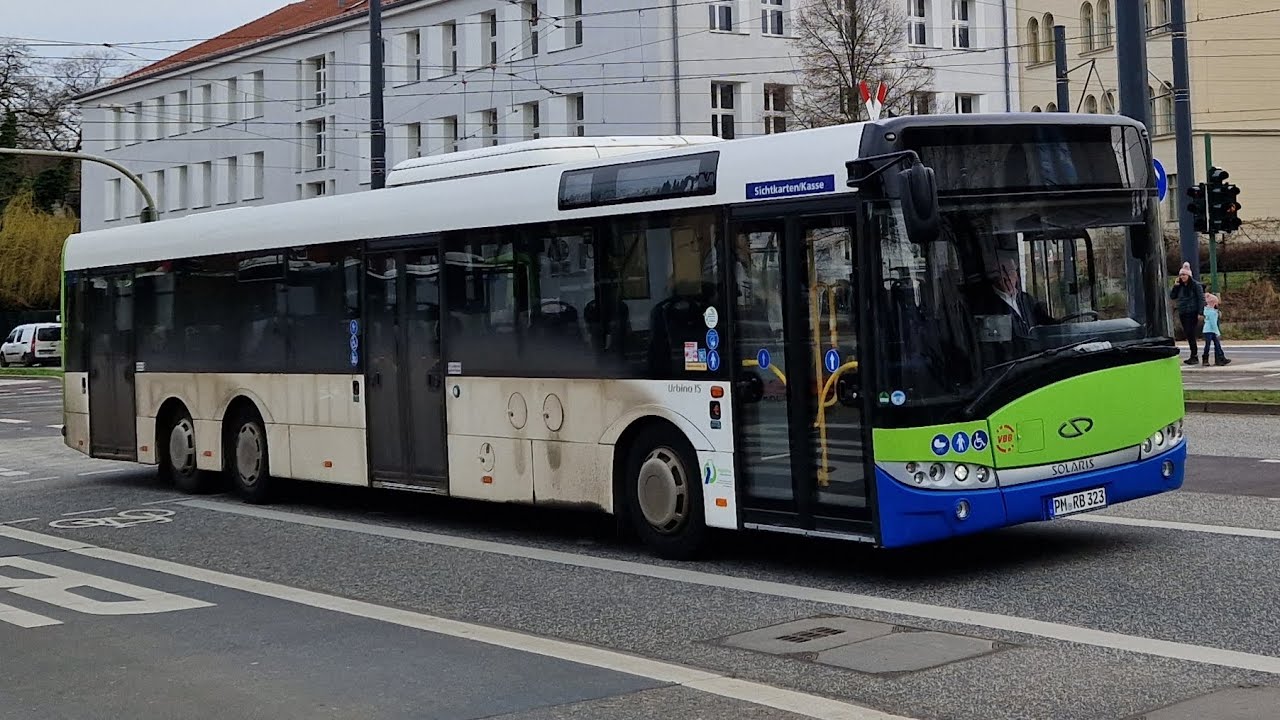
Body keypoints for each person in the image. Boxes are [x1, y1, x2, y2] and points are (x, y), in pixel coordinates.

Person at [1169, 262, 1205, 364]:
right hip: (1183, 312)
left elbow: (1201, 299)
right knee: (1188, 333)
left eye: (1184, 275)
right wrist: (1175, 286)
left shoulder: (1196, 285)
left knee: (1190, 332)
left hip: (1192, 311)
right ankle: (1193, 355)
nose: (1182, 277)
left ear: (1189, 275)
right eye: (1181, 275)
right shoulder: (1179, 286)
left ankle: (1194, 355)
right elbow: (1172, 296)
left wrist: (1200, 312)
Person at [1201, 292, 1231, 366]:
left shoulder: (1208, 310)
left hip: (1207, 330)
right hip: (1210, 330)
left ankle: (1218, 358)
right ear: (1213, 303)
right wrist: (1217, 332)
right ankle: (1217, 358)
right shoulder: (1212, 312)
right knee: (1212, 345)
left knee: (1214, 345)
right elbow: (1213, 323)